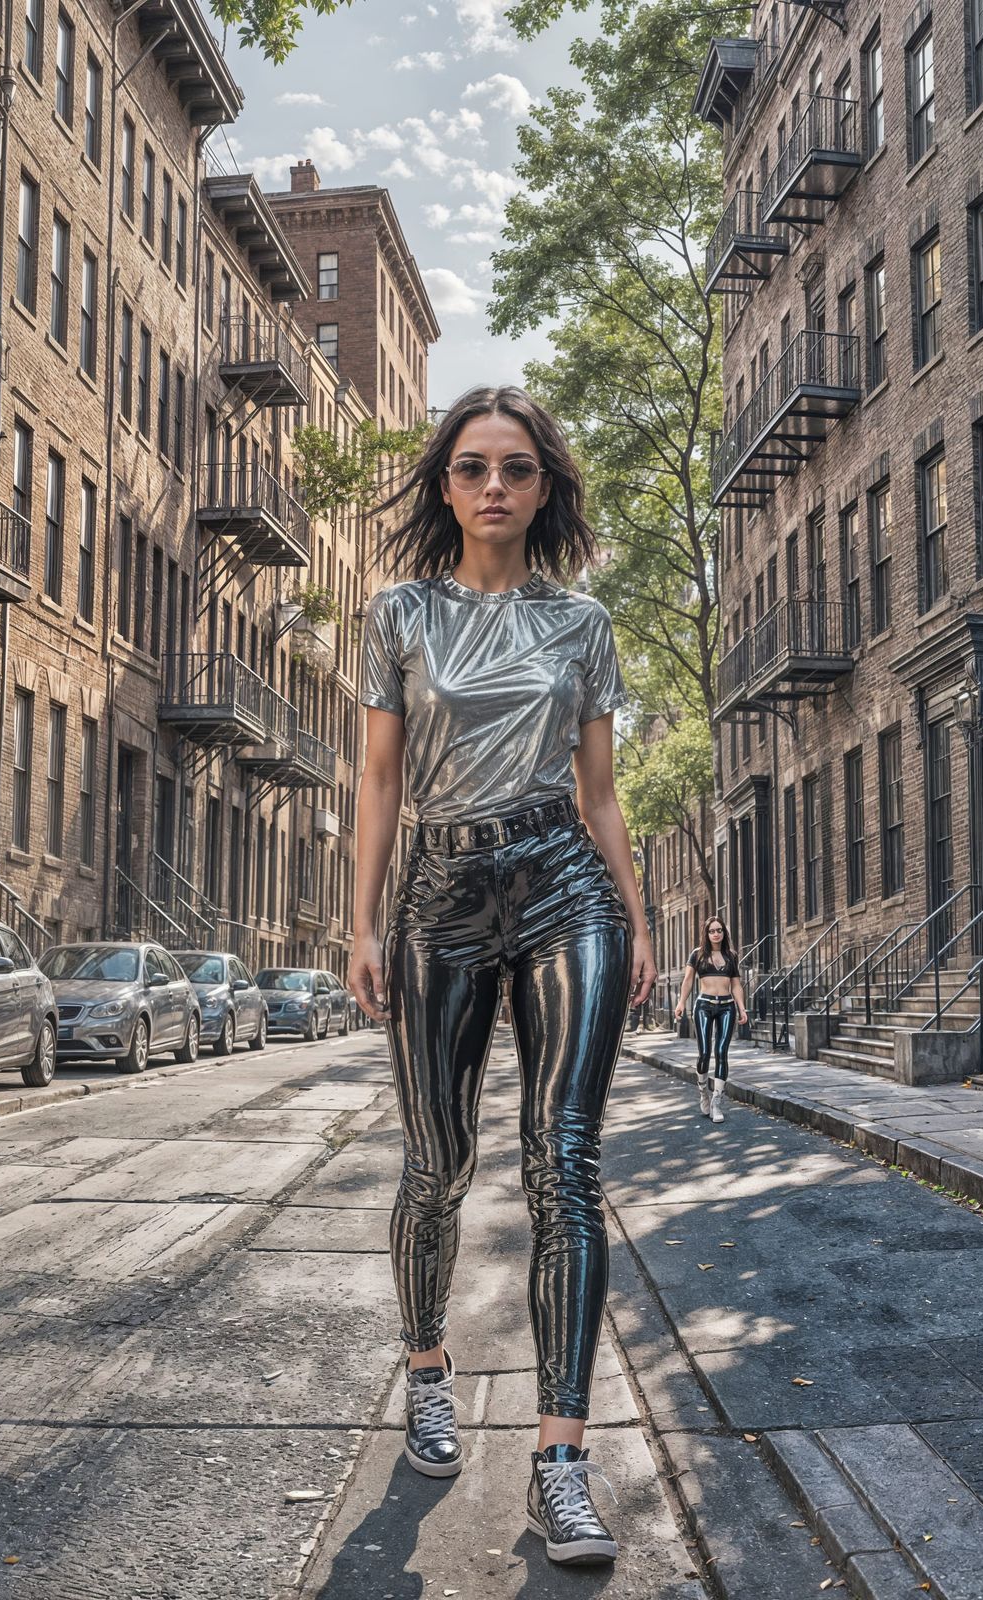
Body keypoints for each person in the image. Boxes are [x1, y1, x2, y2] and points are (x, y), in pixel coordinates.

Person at [348, 385, 657, 1568]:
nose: (493, 485)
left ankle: (561, 1462)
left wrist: (635, 919)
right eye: (472, 466)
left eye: (515, 468)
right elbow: (380, 780)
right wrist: (362, 923)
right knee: (437, 1163)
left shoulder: (581, 623)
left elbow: (600, 793)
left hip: (562, 882)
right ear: (446, 486)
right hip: (437, 892)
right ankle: (428, 1364)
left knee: (563, 1163)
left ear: (543, 488)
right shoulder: (398, 613)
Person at [673, 915, 748, 1123]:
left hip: (727, 1006)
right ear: (706, 934)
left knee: (722, 1052)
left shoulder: (731, 955)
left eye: (719, 930)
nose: (716, 934)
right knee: (704, 1052)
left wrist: (742, 1008)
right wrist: (681, 1003)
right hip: (704, 1006)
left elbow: (736, 985)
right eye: (712, 931)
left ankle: (717, 1101)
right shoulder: (697, 954)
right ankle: (703, 1092)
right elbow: (688, 981)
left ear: (724, 932)